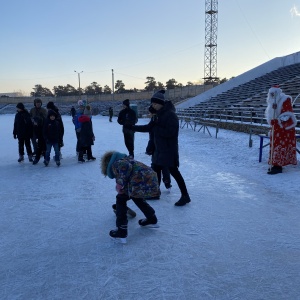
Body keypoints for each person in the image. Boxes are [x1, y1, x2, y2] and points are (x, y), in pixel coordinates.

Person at [126, 90, 191, 206]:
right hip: (158, 149)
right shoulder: (157, 115)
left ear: (161, 103)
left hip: (168, 150)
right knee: (155, 172)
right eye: (152, 104)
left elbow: (171, 133)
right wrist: (132, 127)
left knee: (174, 172)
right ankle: (155, 193)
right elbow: (149, 127)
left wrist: (156, 128)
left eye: (155, 104)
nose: (153, 106)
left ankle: (185, 196)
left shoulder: (170, 115)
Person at [100, 151, 160, 243]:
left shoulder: (118, 163)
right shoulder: (126, 159)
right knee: (136, 197)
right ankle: (152, 218)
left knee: (120, 199)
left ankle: (121, 230)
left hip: (141, 182)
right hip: (150, 180)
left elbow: (125, 169)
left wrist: (119, 185)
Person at [265, 85, 297, 174]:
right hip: (276, 128)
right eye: (270, 94)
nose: (272, 95)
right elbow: (271, 115)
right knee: (274, 145)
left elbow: (288, 114)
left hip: (284, 129)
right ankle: (274, 163)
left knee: (280, 145)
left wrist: (278, 121)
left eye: (273, 93)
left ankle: (278, 166)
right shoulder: (271, 103)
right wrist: (272, 121)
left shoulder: (286, 99)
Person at [146, 105, 172, 191]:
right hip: (164, 147)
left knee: (156, 166)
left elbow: (152, 138)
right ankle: (166, 181)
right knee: (164, 165)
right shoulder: (160, 119)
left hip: (158, 148)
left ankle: (157, 186)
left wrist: (149, 149)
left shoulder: (155, 120)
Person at [30, 98, 47, 165]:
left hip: (42, 129)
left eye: (39, 103)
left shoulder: (43, 110)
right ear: (35, 104)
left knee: (42, 143)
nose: (38, 104)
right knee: (34, 142)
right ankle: (36, 153)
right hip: (34, 129)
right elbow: (30, 117)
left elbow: (46, 118)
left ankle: (45, 156)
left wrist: (40, 119)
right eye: (37, 103)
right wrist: (33, 121)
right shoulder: (32, 110)